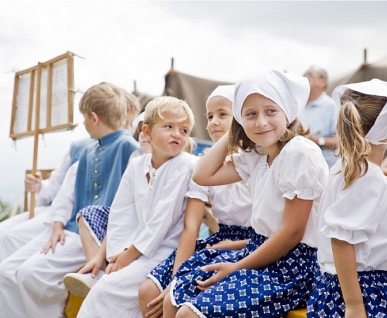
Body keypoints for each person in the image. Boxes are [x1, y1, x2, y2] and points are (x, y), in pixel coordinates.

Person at [165, 70, 328, 318]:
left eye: (270, 111)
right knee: (175, 298)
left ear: (288, 112)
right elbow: (202, 175)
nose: (261, 122)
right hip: (258, 251)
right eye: (250, 114)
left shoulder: (299, 153)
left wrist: (236, 267)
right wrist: (235, 129)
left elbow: (292, 232)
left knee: (188, 314)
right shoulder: (259, 155)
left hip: (292, 266)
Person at [0, 82, 139, 318]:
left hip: (99, 235)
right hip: (71, 228)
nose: (82, 123)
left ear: (94, 118)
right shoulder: (87, 150)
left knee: (28, 273)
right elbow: (66, 193)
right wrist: (58, 224)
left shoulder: (129, 147)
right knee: (7, 270)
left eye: (84, 118)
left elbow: (130, 203)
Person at [76, 96, 197, 317]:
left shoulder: (184, 165)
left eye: (184, 130)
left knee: (104, 291)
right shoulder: (136, 165)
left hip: (165, 252)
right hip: (137, 248)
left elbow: (163, 219)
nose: (177, 134)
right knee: (111, 285)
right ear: (147, 133)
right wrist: (117, 254)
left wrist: (129, 256)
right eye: (169, 126)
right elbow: (122, 213)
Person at [138, 85, 253, 318]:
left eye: (222, 114)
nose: (213, 122)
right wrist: (176, 277)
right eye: (209, 116)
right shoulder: (205, 164)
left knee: (176, 300)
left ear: (240, 118)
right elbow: (191, 228)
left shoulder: (257, 161)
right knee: (148, 291)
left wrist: (178, 286)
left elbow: (273, 230)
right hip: (218, 242)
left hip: (250, 245)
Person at [307, 79, 387, 317]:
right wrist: (354, 305)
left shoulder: (349, 169)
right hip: (365, 290)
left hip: (343, 286)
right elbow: (342, 240)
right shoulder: (368, 177)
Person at [299, 66, 339, 168]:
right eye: (304, 75)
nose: (304, 78)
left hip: (325, 169)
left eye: (309, 75)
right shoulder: (298, 106)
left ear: (323, 82)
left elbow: (342, 141)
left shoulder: (333, 106)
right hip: (300, 167)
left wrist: (317, 141)